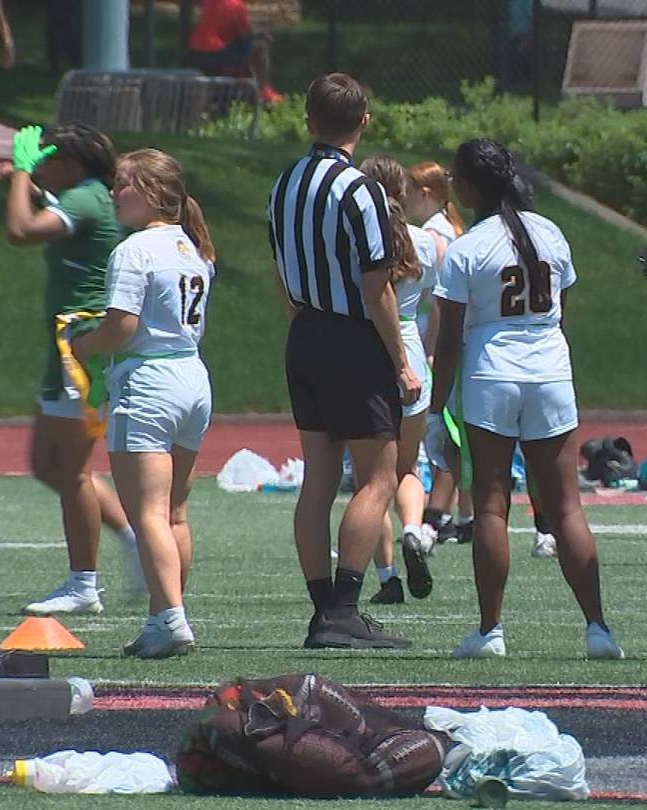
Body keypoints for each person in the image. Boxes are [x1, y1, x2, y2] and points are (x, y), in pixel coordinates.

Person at [430, 138, 623, 660]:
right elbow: (565, 311)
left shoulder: (469, 247)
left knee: (492, 505)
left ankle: (491, 630)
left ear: (470, 186)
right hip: (550, 370)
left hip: (492, 371)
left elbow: (447, 342)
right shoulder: (551, 232)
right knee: (566, 508)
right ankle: (598, 628)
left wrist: (434, 410)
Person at [267, 72, 421, 649]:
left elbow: (283, 272)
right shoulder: (362, 190)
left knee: (318, 476)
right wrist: (401, 360)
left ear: (308, 119)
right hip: (352, 338)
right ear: (364, 121)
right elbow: (377, 286)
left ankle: (321, 609)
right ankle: (344, 610)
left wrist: (306, 328)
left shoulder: (282, 185)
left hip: (304, 332)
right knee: (379, 475)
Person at [69, 148, 215, 658]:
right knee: (174, 511)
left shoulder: (134, 250)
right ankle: (165, 613)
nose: (113, 193)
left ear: (152, 192)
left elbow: (123, 327)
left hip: (149, 381)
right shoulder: (192, 247)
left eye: (124, 184)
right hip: (192, 377)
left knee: (148, 511)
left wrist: (84, 346)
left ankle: (170, 618)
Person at [0, 123, 126, 617]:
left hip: (81, 351)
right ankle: (132, 537)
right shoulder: (83, 194)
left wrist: (22, 175)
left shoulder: (88, 199)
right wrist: (26, 179)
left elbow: (20, 230)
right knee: (47, 465)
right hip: (66, 347)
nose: (42, 165)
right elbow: (46, 204)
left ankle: (84, 583)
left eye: (50, 157)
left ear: (73, 162)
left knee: (70, 471)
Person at [358, 155, 445, 604]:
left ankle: (388, 575)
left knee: (372, 480)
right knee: (407, 467)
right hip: (412, 346)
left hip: (371, 355)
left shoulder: (358, 240)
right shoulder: (427, 242)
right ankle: (415, 529)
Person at [406, 161, 473, 545]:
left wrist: (430, 349)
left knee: (441, 434)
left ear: (426, 193)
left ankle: (435, 517)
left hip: (431, 339)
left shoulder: (432, 235)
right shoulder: (449, 229)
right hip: (445, 338)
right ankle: (465, 514)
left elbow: (439, 301)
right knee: (454, 433)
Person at [187, 0, 282, 104]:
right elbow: (245, 33)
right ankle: (263, 90)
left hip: (196, 52)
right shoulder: (236, 5)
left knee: (244, 47)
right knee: (260, 47)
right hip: (215, 53)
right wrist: (261, 32)